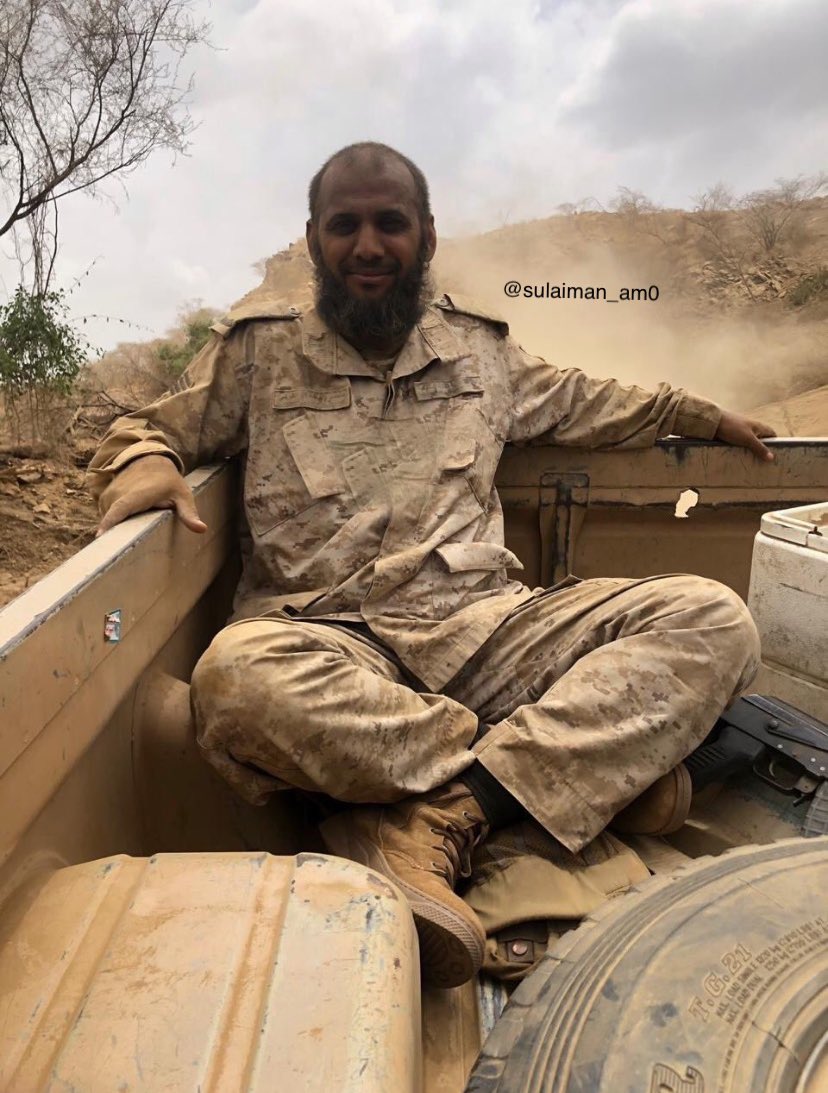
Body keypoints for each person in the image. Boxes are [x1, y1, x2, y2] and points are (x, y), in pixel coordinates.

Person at [88, 141, 774, 988]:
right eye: (345, 225)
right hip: (330, 640)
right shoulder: (259, 354)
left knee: (712, 618)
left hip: (491, 629)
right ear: (314, 239)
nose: (368, 245)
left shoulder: (483, 352)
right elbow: (148, 427)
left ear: (427, 235)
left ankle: (437, 814)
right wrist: (145, 462)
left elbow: (590, 400)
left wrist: (698, 415)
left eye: (390, 223)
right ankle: (552, 777)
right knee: (233, 681)